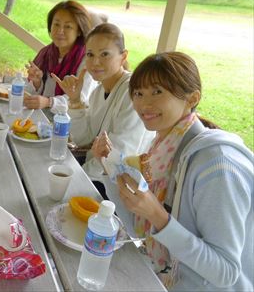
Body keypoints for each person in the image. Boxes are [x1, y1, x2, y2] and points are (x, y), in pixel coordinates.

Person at [106, 52, 253, 291]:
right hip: (159, 273)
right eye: (138, 93)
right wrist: (110, 168)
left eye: (157, 92)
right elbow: (139, 225)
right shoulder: (163, 148)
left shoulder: (216, 166)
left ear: (192, 98)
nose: (144, 104)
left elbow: (225, 273)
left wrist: (159, 218)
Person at [53, 23, 154, 198]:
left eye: (105, 54)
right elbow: (84, 137)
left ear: (123, 57)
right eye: (90, 55)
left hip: (120, 188)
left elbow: (121, 154)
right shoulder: (97, 92)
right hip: (94, 171)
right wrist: (75, 101)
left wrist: (77, 176)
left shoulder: (134, 93)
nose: (95, 62)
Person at [25, 0, 97, 112]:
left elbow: (82, 99)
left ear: (79, 31)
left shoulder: (88, 59)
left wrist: (49, 102)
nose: (60, 31)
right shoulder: (47, 53)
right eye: (56, 24)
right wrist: (37, 82)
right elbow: (39, 94)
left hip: (72, 123)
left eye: (68, 26)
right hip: (43, 118)